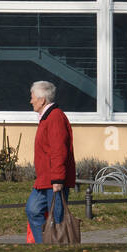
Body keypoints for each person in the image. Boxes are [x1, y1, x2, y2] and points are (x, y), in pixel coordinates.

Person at [26, 80, 76, 243]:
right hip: (44, 179)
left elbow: (58, 150)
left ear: (42, 100)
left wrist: (57, 179)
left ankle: (57, 250)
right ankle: (44, 244)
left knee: (57, 218)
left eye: (32, 97)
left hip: (53, 179)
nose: (31, 101)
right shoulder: (46, 118)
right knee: (33, 210)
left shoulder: (55, 117)